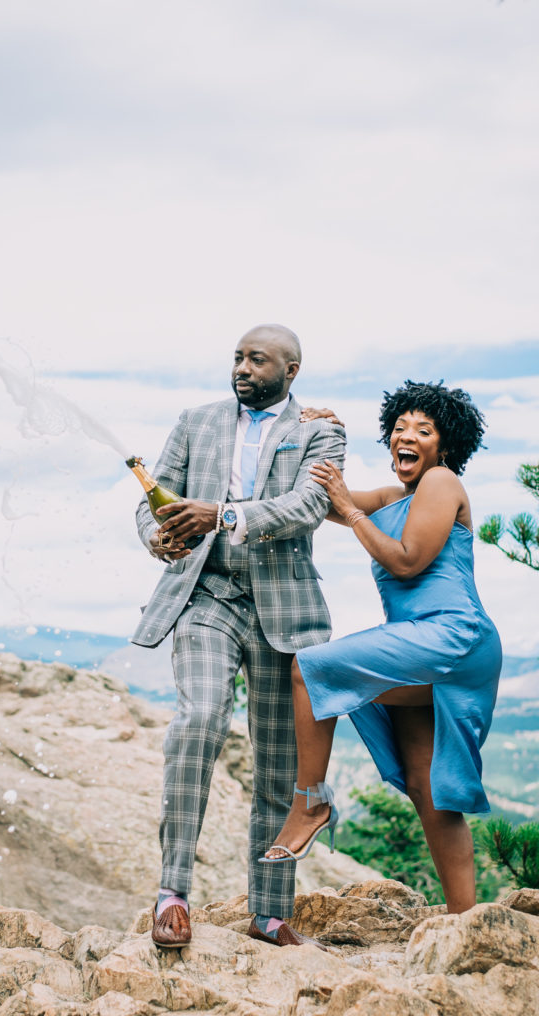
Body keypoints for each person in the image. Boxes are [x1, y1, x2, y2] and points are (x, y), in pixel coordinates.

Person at [132, 323, 346, 948]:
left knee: (279, 765)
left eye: (258, 359)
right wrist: (157, 534)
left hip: (286, 612)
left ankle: (270, 914)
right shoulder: (195, 421)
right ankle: (171, 895)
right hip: (206, 598)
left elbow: (307, 507)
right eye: (238, 357)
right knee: (199, 719)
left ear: (291, 369)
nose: (243, 367)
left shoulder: (321, 430)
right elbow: (152, 502)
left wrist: (223, 515)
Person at [261, 380, 501, 914]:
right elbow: (321, 500)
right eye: (398, 429)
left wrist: (350, 508)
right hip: (427, 644)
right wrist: (318, 432)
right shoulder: (397, 497)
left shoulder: (441, 482)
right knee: (427, 787)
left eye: (423, 429)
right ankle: (466, 920)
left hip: (451, 635)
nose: (406, 437)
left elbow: (408, 560)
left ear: (444, 443)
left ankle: (309, 804)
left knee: (311, 670)